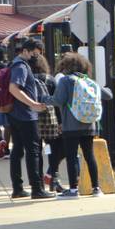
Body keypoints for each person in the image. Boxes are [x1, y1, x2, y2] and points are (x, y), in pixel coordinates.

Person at [48, 52, 111, 198]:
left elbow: (58, 100)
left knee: (71, 156)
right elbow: (108, 96)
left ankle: (73, 190)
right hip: (89, 125)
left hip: (71, 125)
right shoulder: (89, 81)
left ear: (65, 66)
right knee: (89, 155)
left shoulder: (66, 81)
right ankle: (96, 189)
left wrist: (44, 99)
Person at [7, 39, 53, 199]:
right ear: (25, 51)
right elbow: (13, 88)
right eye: (34, 54)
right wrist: (33, 103)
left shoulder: (15, 63)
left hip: (15, 115)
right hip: (26, 116)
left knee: (18, 150)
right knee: (33, 151)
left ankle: (18, 188)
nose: (36, 58)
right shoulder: (21, 66)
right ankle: (37, 189)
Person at [29, 53, 64, 193]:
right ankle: (53, 179)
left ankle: (37, 184)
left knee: (35, 152)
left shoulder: (27, 79)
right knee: (53, 151)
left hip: (32, 120)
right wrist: (60, 122)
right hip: (49, 121)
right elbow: (57, 103)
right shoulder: (50, 79)